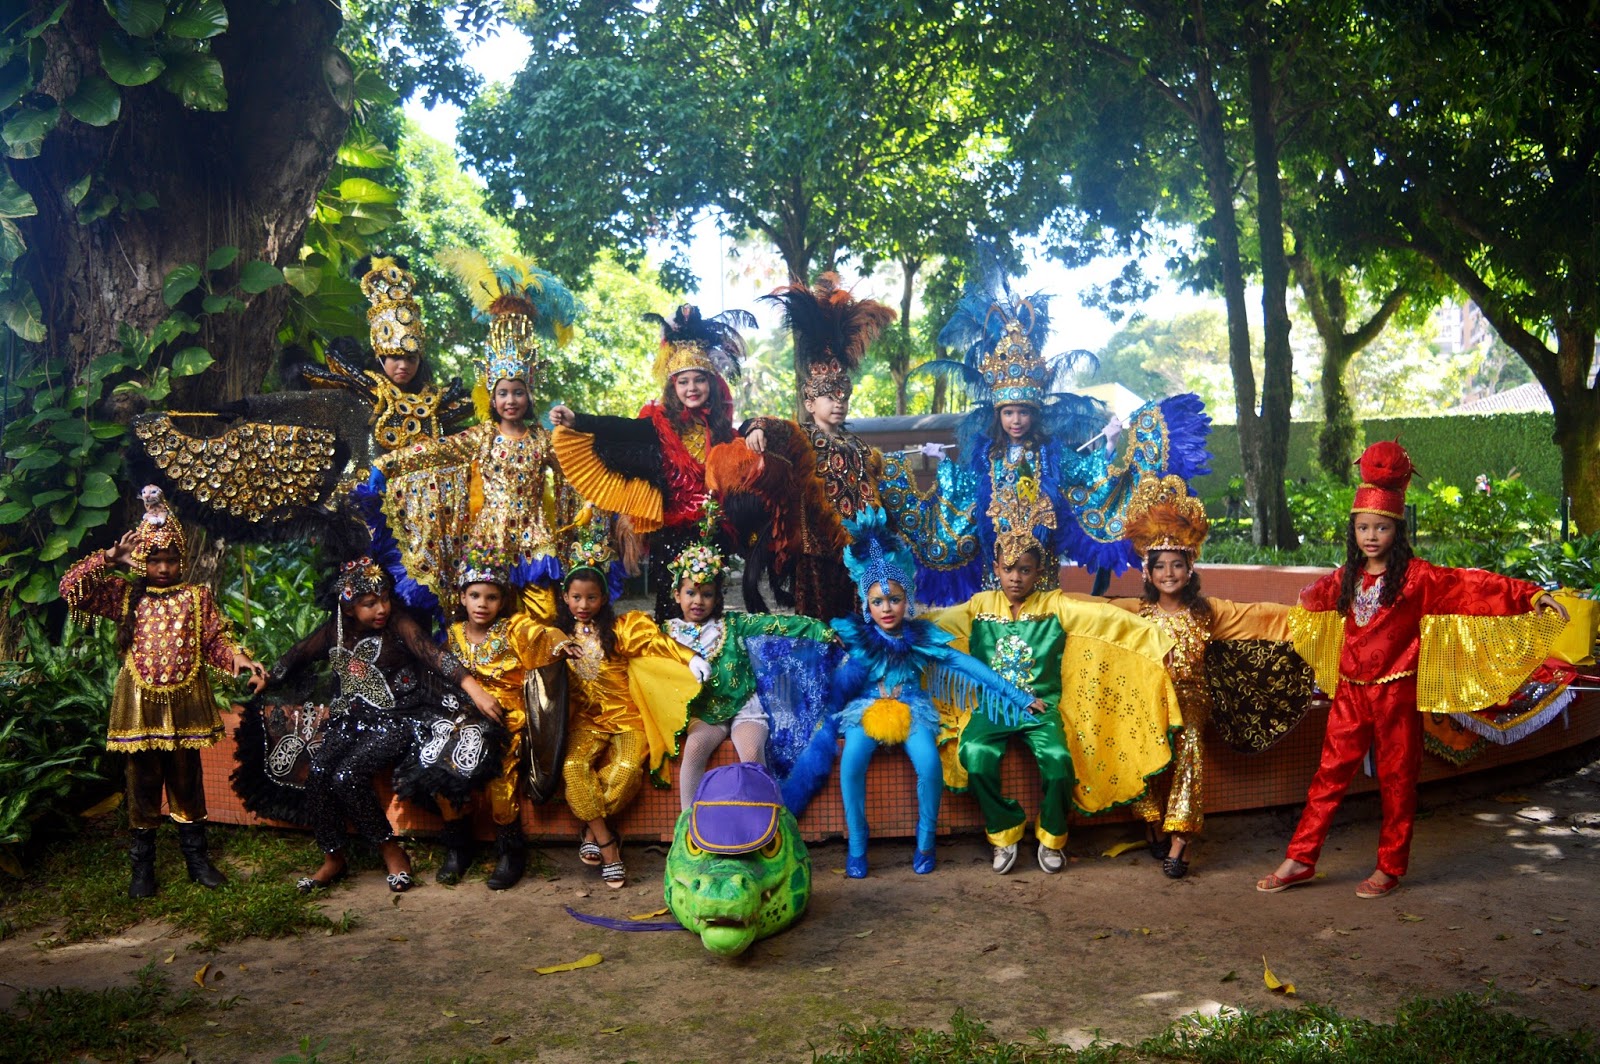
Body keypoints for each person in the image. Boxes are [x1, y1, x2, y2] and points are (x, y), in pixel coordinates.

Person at [1257, 442, 1569, 899]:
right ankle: (1300, 859)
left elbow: (1471, 584)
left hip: (1396, 694)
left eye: (1380, 528)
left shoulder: (1419, 579)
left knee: (1398, 780)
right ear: (1353, 530)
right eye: (1362, 527)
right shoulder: (1347, 576)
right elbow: (1308, 600)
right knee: (1328, 776)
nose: (1370, 536)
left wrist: (1529, 595)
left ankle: (1390, 866)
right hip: (1349, 692)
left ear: (1396, 531)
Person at [888, 264, 1211, 605]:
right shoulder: (988, 456)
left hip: (1042, 569)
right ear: (999, 416)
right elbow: (966, 492)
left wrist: (1110, 443)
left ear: (1033, 414)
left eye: (1023, 412)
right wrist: (943, 463)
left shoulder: (1049, 455)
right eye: (1009, 413)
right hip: (995, 572)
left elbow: (1088, 478)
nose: (1016, 420)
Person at [786, 507, 1040, 879]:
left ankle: (925, 841)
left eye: (894, 600)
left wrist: (1018, 697)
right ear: (865, 605)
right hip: (866, 709)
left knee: (930, 764)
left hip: (912, 708)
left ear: (908, 600)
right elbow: (823, 674)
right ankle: (857, 845)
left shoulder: (922, 640)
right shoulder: (854, 639)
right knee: (852, 761)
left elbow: (968, 667)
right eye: (877, 602)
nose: (886, 609)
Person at [925, 524, 1179, 875]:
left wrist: (1154, 638)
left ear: (1038, 572)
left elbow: (1105, 618)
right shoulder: (979, 606)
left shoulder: (1054, 604)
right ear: (996, 569)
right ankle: (1004, 831)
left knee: (1060, 762)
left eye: (1025, 570)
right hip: (992, 707)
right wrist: (889, 631)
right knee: (975, 756)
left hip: (1040, 708)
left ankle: (1052, 835)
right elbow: (937, 623)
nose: (1016, 578)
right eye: (1009, 569)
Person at [59, 489, 266, 898]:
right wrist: (108, 560)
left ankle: (197, 860)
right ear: (143, 562)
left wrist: (238, 659)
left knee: (187, 779)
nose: (165, 567)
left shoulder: (196, 597)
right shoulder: (124, 596)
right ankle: (143, 868)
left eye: (172, 560)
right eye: (156, 560)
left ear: (183, 561)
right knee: (143, 781)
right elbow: (71, 590)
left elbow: (215, 641)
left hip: (186, 700)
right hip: (139, 703)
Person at [1107, 474, 1310, 878]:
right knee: (1130, 732)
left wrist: (1311, 618)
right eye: (1160, 566)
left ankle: (1180, 837)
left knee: (1192, 739)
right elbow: (1091, 613)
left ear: (1190, 568)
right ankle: (1151, 818)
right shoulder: (1135, 611)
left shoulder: (1207, 611)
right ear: (1148, 573)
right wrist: (1046, 603)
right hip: (1148, 700)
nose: (1169, 573)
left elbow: (1259, 617)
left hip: (1193, 699)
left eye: (1177, 565)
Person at [261, 558, 504, 894]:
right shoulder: (336, 630)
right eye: (369, 603)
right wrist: (266, 677)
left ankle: (391, 850)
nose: (382, 609)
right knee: (318, 773)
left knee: (347, 776)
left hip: (397, 719)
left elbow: (435, 656)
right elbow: (298, 654)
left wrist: (474, 690)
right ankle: (333, 858)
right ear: (348, 608)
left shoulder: (398, 625)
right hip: (350, 720)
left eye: (385, 598)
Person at [367, 250, 581, 621]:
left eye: (517, 392)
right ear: (492, 397)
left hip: (536, 541)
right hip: (488, 542)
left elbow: (576, 475)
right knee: (488, 620)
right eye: (502, 392)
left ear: (529, 394)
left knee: (544, 619)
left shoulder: (544, 439)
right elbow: (434, 452)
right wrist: (385, 466)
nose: (510, 400)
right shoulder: (481, 436)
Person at [550, 305, 754, 620]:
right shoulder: (657, 425)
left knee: (709, 608)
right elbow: (619, 428)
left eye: (698, 380)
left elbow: (745, 450)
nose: (691, 389)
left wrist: (759, 429)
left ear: (710, 384)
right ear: (673, 387)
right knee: (671, 608)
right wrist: (578, 420)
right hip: (670, 532)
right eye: (683, 382)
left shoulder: (722, 429)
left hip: (713, 531)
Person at [723, 274, 899, 619]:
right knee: (819, 626)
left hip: (858, 552)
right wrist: (755, 428)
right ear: (810, 401)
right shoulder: (801, 437)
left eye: (843, 397)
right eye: (829, 397)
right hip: (815, 552)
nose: (839, 403)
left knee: (860, 621)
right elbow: (770, 426)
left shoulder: (857, 446)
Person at [636, 516, 839, 810]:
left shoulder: (735, 624)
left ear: (718, 597)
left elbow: (779, 625)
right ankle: (688, 829)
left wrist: (824, 631)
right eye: (690, 592)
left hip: (745, 707)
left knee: (753, 751)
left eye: (707, 594)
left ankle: (764, 826)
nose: (698, 601)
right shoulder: (667, 635)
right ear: (676, 594)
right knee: (693, 750)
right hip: (705, 714)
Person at [555, 512, 707, 888]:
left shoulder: (621, 629)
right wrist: (554, 645)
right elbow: (527, 637)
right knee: (573, 767)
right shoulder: (556, 635)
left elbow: (657, 642)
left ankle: (592, 831)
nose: (583, 604)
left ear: (604, 597)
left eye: (591, 597)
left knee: (625, 772)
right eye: (576, 597)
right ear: (565, 597)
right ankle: (608, 844)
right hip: (586, 723)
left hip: (626, 720)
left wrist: (691, 657)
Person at [436, 548, 578, 889]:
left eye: (491, 597)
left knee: (501, 780)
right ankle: (458, 847)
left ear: (503, 600)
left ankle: (511, 851)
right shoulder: (453, 634)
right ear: (462, 597)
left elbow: (544, 635)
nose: (482, 604)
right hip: (461, 719)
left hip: (505, 721)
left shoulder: (513, 628)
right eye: (475, 595)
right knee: (442, 770)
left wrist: (562, 643)